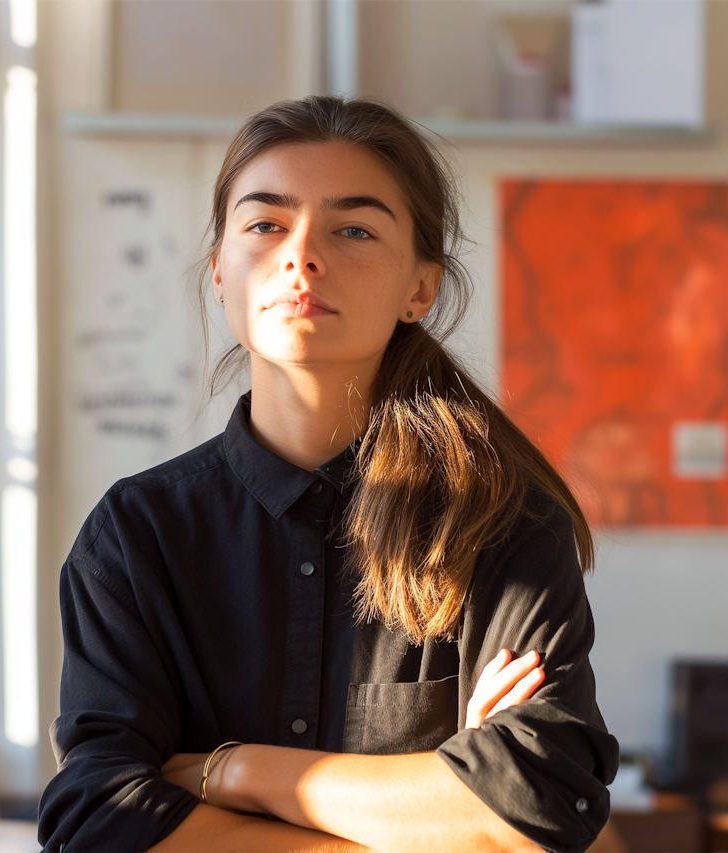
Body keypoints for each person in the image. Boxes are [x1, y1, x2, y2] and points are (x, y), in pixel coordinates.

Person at [37, 96, 619, 853]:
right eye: (265, 224)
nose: (302, 256)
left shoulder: (501, 522)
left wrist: (233, 771)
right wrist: (427, 816)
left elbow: (540, 802)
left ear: (421, 288)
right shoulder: (137, 534)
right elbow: (93, 820)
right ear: (220, 270)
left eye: (354, 229)